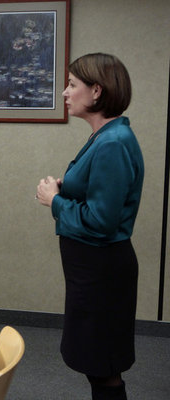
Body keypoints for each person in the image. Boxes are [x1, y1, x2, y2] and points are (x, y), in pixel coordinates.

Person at [36, 53, 143, 400]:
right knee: (97, 366)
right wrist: (70, 186)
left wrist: (54, 201)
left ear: (96, 91)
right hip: (92, 272)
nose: (65, 93)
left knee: (104, 369)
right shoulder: (105, 136)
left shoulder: (112, 142)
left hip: (103, 274)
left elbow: (100, 222)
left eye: (72, 85)